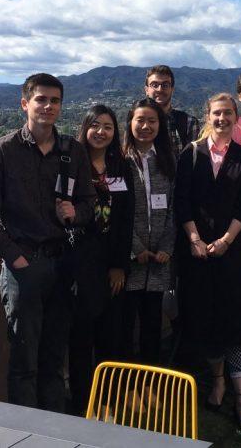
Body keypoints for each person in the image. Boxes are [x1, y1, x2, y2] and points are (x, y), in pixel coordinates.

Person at [0, 73, 95, 412]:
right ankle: (27, 434)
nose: (48, 106)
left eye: (55, 101)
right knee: (24, 360)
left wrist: (76, 213)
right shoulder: (2, 152)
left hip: (61, 265)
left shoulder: (72, 152)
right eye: (41, 99)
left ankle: (54, 429)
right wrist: (19, 262)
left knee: (55, 359)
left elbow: (89, 205)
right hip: (24, 268)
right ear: (25, 103)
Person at [175, 92, 241, 436]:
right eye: (216, 113)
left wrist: (225, 240)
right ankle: (218, 383)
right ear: (207, 115)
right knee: (205, 323)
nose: (222, 118)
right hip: (195, 256)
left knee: (234, 327)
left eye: (228, 113)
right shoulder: (190, 154)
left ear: (236, 117)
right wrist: (195, 239)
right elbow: (182, 201)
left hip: (231, 253)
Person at [69, 104, 133, 412]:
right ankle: (83, 402)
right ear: (85, 129)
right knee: (81, 338)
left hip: (112, 265)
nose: (101, 131)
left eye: (107, 126)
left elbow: (126, 221)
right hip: (80, 266)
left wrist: (119, 265)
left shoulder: (121, 169)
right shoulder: (70, 167)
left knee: (111, 336)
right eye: (95, 125)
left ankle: (110, 401)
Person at [121, 98, 177, 365]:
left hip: (158, 263)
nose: (145, 126)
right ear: (130, 123)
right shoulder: (119, 161)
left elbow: (174, 209)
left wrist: (166, 247)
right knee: (124, 325)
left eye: (152, 121)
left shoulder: (167, 161)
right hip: (130, 262)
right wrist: (136, 248)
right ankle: (128, 386)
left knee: (152, 328)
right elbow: (117, 212)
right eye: (140, 120)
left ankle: (150, 384)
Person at [145, 65, 200, 162]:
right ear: (146, 90)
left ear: (172, 89)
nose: (160, 89)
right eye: (154, 85)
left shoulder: (189, 123)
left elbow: (193, 161)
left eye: (165, 85)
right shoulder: (138, 122)